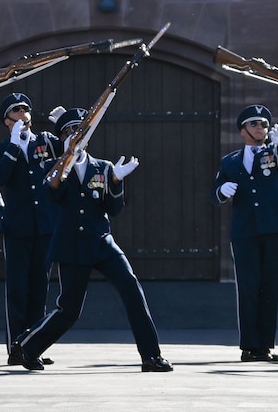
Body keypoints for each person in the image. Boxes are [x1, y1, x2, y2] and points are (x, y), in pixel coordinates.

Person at [15, 107, 168, 373]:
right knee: (69, 310)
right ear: (61, 138)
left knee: (132, 289)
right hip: (71, 245)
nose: (75, 135)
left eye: (80, 131)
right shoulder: (54, 169)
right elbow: (51, 198)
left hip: (102, 242)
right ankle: (28, 345)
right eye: (69, 132)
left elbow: (114, 209)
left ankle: (151, 356)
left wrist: (117, 181)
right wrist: (66, 164)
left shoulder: (103, 167)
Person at [212, 104, 278, 362]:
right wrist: (222, 191)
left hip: (274, 228)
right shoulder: (230, 160)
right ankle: (249, 346)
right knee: (247, 287)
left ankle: (265, 345)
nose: (261, 128)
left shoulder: (277, 153)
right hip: (245, 230)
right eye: (255, 124)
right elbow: (215, 190)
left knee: (269, 287)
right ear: (243, 130)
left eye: (264, 124)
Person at [0, 92, 59, 367]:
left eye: (26, 110)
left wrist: (66, 122)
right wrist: (15, 146)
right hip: (17, 228)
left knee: (39, 288)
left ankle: (35, 344)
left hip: (44, 226)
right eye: (16, 111)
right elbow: (0, 176)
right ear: (7, 120)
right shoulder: (1, 149)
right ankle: (16, 347)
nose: (23, 115)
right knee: (18, 289)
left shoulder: (45, 142)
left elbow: (72, 147)